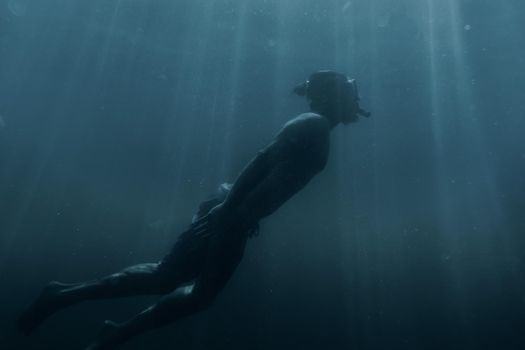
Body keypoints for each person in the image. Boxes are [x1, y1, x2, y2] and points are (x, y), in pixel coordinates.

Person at [17, 70, 370, 349]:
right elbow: (261, 162)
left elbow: (274, 177)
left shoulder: (318, 127)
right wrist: (231, 209)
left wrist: (246, 213)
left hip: (235, 216)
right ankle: (80, 309)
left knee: (182, 285)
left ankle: (93, 318)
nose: (357, 98)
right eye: (351, 91)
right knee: (173, 281)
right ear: (334, 96)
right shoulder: (314, 124)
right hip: (229, 214)